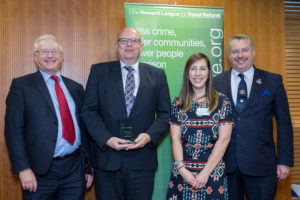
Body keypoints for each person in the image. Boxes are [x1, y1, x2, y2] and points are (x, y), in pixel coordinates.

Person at [81, 27, 171, 200]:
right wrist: (106, 139)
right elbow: (88, 111)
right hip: (107, 162)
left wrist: (149, 136)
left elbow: (165, 114)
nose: (129, 44)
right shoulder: (99, 72)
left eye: (134, 41)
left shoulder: (157, 75)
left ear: (141, 46)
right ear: (116, 45)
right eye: (123, 40)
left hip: (142, 163)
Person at [5, 34, 93, 200]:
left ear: (61, 56)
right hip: (38, 171)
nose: (50, 56)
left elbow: (84, 129)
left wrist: (87, 168)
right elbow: (13, 131)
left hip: (74, 170)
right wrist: (23, 169)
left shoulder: (75, 88)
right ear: (35, 56)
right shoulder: (21, 86)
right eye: (44, 51)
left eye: (55, 51)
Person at [213, 34, 294, 200]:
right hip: (226, 166)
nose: (240, 55)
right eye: (235, 51)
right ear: (229, 55)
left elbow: (284, 124)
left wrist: (284, 161)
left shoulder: (272, 81)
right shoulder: (216, 83)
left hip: (262, 167)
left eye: (244, 50)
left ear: (253, 51)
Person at [166, 53, 233, 200]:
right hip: (182, 174)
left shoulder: (222, 102)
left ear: (209, 73)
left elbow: (224, 139)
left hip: (212, 174)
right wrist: (182, 170)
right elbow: (175, 139)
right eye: (193, 69)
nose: (198, 73)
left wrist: (205, 172)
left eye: (202, 69)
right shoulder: (178, 104)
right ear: (187, 73)